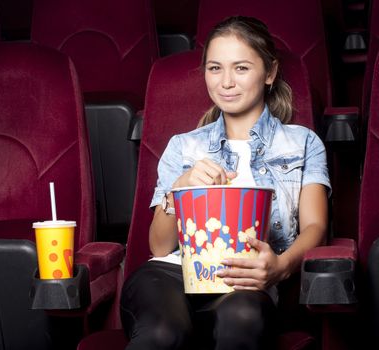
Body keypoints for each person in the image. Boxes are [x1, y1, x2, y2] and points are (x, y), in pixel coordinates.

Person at [119, 16, 331, 350]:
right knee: (163, 333)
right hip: (171, 276)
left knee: (242, 320)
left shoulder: (303, 143)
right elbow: (159, 247)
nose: (226, 82)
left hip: (246, 281)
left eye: (241, 68)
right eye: (215, 68)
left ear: (270, 73)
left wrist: (280, 267)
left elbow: (315, 226)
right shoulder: (183, 146)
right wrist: (182, 186)